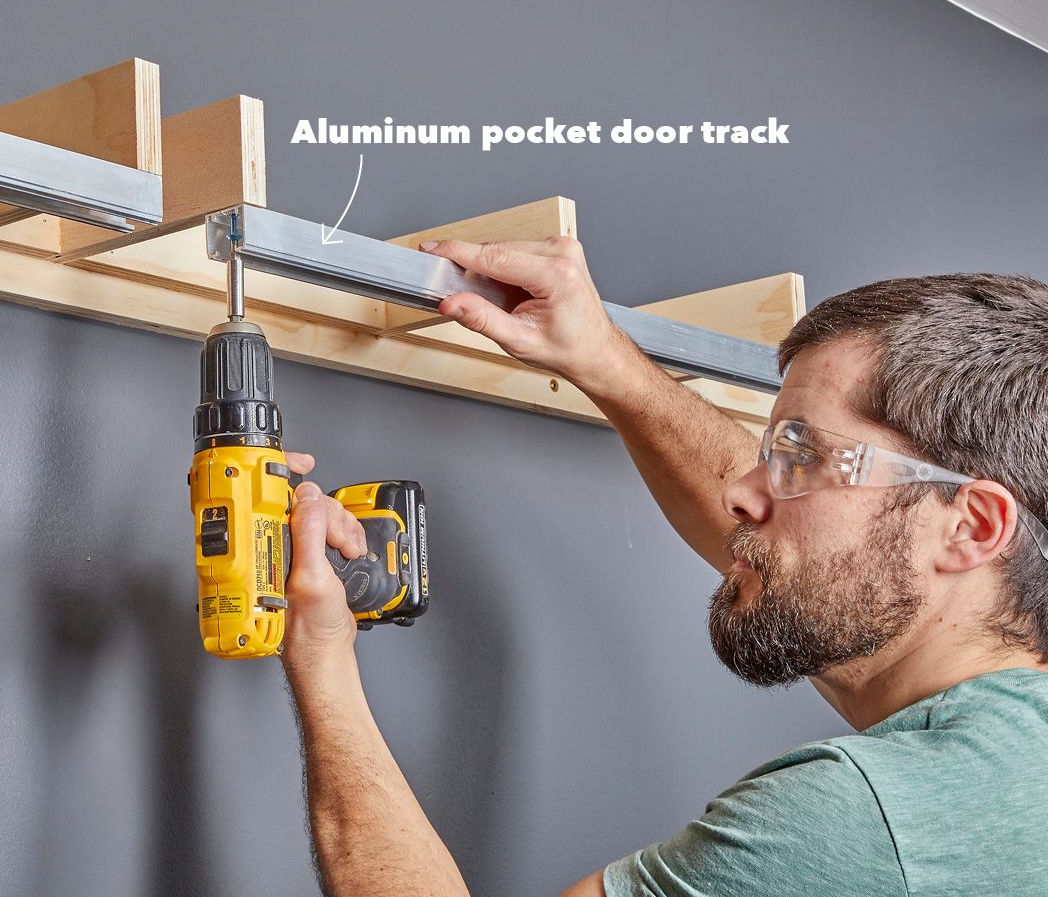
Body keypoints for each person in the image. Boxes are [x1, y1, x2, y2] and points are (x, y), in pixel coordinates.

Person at [278, 237, 1048, 896]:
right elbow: (822, 555)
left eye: (801, 457)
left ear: (971, 527)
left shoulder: (868, 818)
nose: (739, 491)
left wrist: (322, 662)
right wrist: (606, 360)